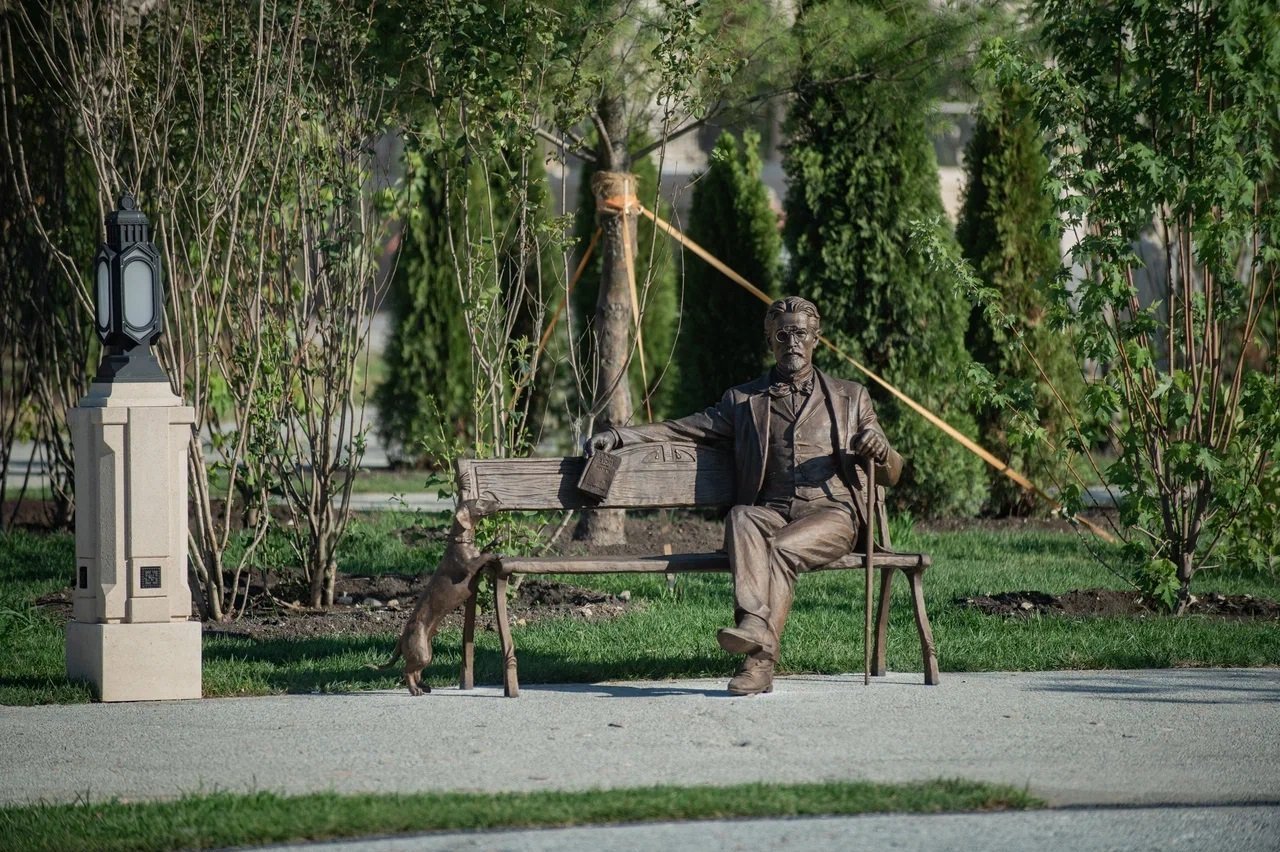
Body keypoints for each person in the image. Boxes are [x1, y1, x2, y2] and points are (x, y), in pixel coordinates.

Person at [585, 296, 902, 695]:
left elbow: (892, 473)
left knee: (780, 549)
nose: (792, 342)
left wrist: (881, 450)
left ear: (816, 339)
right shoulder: (744, 401)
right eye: (782, 334)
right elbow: (681, 429)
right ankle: (755, 629)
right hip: (771, 509)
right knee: (741, 517)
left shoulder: (850, 397)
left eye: (800, 334)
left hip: (832, 514)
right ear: (769, 340)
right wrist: (619, 435)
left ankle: (758, 657)